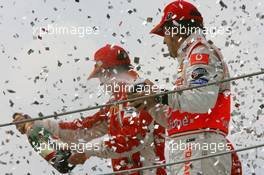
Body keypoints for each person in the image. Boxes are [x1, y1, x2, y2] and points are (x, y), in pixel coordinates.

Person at [13, 44, 166, 175]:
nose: (100, 82)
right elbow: (82, 129)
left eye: (100, 75)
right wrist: (39, 125)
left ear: (111, 72)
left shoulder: (142, 92)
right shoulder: (115, 103)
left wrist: (87, 151)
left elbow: (133, 139)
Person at [128, 1, 242, 175]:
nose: (165, 41)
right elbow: (177, 119)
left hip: (199, 146)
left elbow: (202, 101)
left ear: (175, 30)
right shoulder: (190, 59)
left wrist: (158, 95)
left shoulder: (200, 53)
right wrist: (150, 103)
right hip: (190, 148)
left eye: (164, 34)